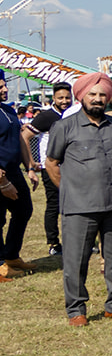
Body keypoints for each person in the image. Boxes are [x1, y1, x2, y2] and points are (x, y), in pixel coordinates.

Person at [44, 73, 112, 325]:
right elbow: (51, 163)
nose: (97, 99)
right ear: (81, 96)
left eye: (102, 94)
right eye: (92, 94)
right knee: (76, 261)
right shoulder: (64, 126)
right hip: (79, 206)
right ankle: (76, 310)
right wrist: (69, 190)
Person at [17, 81, 72, 259]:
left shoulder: (74, 114)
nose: (64, 101)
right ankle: (53, 243)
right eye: (60, 98)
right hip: (51, 168)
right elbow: (25, 136)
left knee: (75, 204)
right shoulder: (47, 117)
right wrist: (31, 163)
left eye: (67, 97)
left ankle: (77, 240)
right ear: (53, 98)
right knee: (54, 205)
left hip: (73, 167)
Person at [0, 70, 35, 279]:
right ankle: (0, 264)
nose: (5, 89)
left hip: (14, 171)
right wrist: (2, 180)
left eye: (4, 85)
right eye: (1, 86)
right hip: (0, 173)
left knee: (24, 210)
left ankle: (11, 255)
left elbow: (20, 139)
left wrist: (29, 167)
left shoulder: (8, 110)